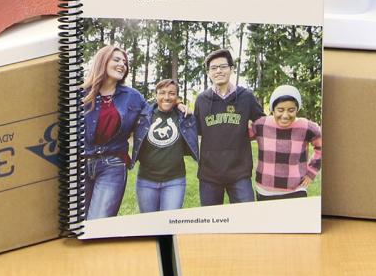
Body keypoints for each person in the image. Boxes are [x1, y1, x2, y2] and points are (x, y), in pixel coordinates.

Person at [79, 44, 147, 220]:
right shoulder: (80, 94)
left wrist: (178, 104)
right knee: (77, 223)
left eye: (124, 62)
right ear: (102, 61)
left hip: (113, 165)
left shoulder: (132, 96)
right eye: (116, 59)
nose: (122, 64)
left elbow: (154, 112)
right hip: (80, 164)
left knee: (98, 222)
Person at [192, 47, 262, 205]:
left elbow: (263, 125)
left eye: (223, 66)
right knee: (210, 224)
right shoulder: (202, 100)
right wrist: (178, 105)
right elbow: (193, 129)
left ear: (231, 69)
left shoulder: (246, 97)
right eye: (213, 68)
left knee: (246, 222)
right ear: (208, 73)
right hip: (209, 175)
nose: (218, 71)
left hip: (239, 173)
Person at [133, 78, 198, 213]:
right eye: (162, 93)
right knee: (148, 225)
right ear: (156, 94)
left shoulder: (185, 116)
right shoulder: (143, 116)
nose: (166, 97)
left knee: (169, 225)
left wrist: (181, 105)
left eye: (171, 93)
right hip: (146, 181)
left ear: (177, 97)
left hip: (174, 181)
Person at [249, 84, 322, 200]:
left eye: (291, 110)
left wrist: (311, 172)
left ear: (297, 109)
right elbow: (238, 137)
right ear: (272, 109)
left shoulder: (306, 127)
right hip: (265, 189)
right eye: (280, 110)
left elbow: (322, 147)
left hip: (296, 189)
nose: (285, 115)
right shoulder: (260, 125)